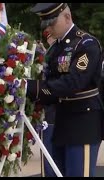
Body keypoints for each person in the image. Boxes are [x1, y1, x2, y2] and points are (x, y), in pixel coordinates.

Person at [24, 3, 104, 177]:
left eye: (52, 23)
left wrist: (30, 87)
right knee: (56, 172)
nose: (49, 28)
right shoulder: (55, 49)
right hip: (60, 120)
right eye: (46, 24)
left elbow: (72, 83)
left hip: (82, 122)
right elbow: (49, 80)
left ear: (67, 17)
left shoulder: (86, 44)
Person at [37, 30, 57, 177]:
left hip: (57, 106)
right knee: (48, 151)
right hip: (48, 108)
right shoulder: (48, 54)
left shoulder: (58, 53)